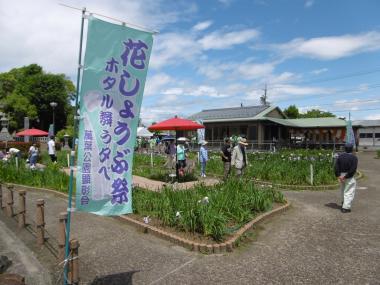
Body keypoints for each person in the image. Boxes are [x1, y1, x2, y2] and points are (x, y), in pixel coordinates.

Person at [334, 143, 358, 213]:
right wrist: (346, 176)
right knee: (349, 191)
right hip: (349, 176)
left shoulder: (340, 157)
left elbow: (336, 167)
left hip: (341, 175)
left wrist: (338, 175)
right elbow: (353, 169)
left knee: (343, 190)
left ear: (345, 149)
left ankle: (343, 203)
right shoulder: (354, 158)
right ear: (352, 149)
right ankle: (346, 207)